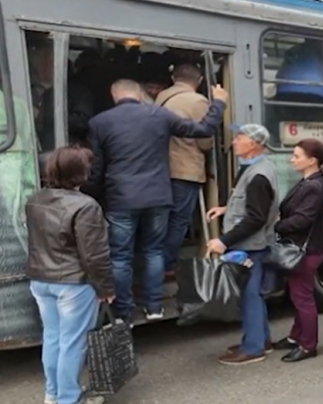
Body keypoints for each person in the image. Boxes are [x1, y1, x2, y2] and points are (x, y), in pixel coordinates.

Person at [83, 79, 228, 324]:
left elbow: (97, 168)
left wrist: (93, 194)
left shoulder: (99, 122)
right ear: (140, 95)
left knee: (120, 256)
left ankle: (124, 312)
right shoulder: (160, 115)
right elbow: (203, 129)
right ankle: (154, 306)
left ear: (114, 96)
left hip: (121, 197)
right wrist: (219, 103)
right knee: (153, 251)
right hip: (158, 196)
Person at [26, 146, 114, 404]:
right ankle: (69, 398)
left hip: (40, 280)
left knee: (52, 337)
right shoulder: (86, 206)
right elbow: (94, 256)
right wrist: (106, 288)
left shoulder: (34, 200)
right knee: (73, 343)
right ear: (82, 173)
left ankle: (53, 394)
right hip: (73, 284)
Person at [205, 124, 280, 366]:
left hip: (251, 246)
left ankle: (253, 348)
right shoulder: (254, 168)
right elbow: (252, 205)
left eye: (239, 138)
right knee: (253, 295)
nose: (234, 142)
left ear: (254, 144)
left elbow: (256, 218)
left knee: (250, 297)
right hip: (252, 244)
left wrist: (223, 241)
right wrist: (226, 209)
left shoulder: (257, 176)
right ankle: (262, 341)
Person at [272, 138, 323, 363]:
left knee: (303, 299)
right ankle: (296, 337)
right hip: (303, 249)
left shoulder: (313, 186)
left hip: (304, 250)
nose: (292, 160)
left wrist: (276, 225)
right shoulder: (309, 181)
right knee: (299, 296)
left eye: (297, 156)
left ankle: (308, 345)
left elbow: (302, 220)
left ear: (312, 160)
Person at [156, 63, 215, 275]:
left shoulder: (161, 97)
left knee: (162, 219)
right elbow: (204, 141)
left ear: (173, 78)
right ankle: (165, 264)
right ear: (200, 81)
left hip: (161, 167)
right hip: (186, 168)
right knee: (179, 220)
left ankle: (154, 262)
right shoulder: (198, 101)